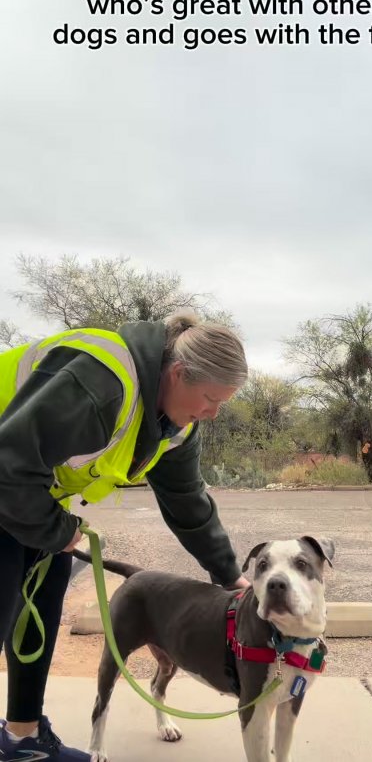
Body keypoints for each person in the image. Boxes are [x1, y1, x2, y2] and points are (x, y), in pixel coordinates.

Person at [0, 312, 249, 761]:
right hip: (6, 478)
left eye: (221, 405)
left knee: (48, 583)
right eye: (211, 399)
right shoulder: (101, 381)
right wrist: (58, 528)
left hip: (21, 489)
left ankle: (22, 738)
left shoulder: (174, 427)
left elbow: (187, 502)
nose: (212, 413)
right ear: (177, 374)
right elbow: (7, 468)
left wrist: (229, 574)